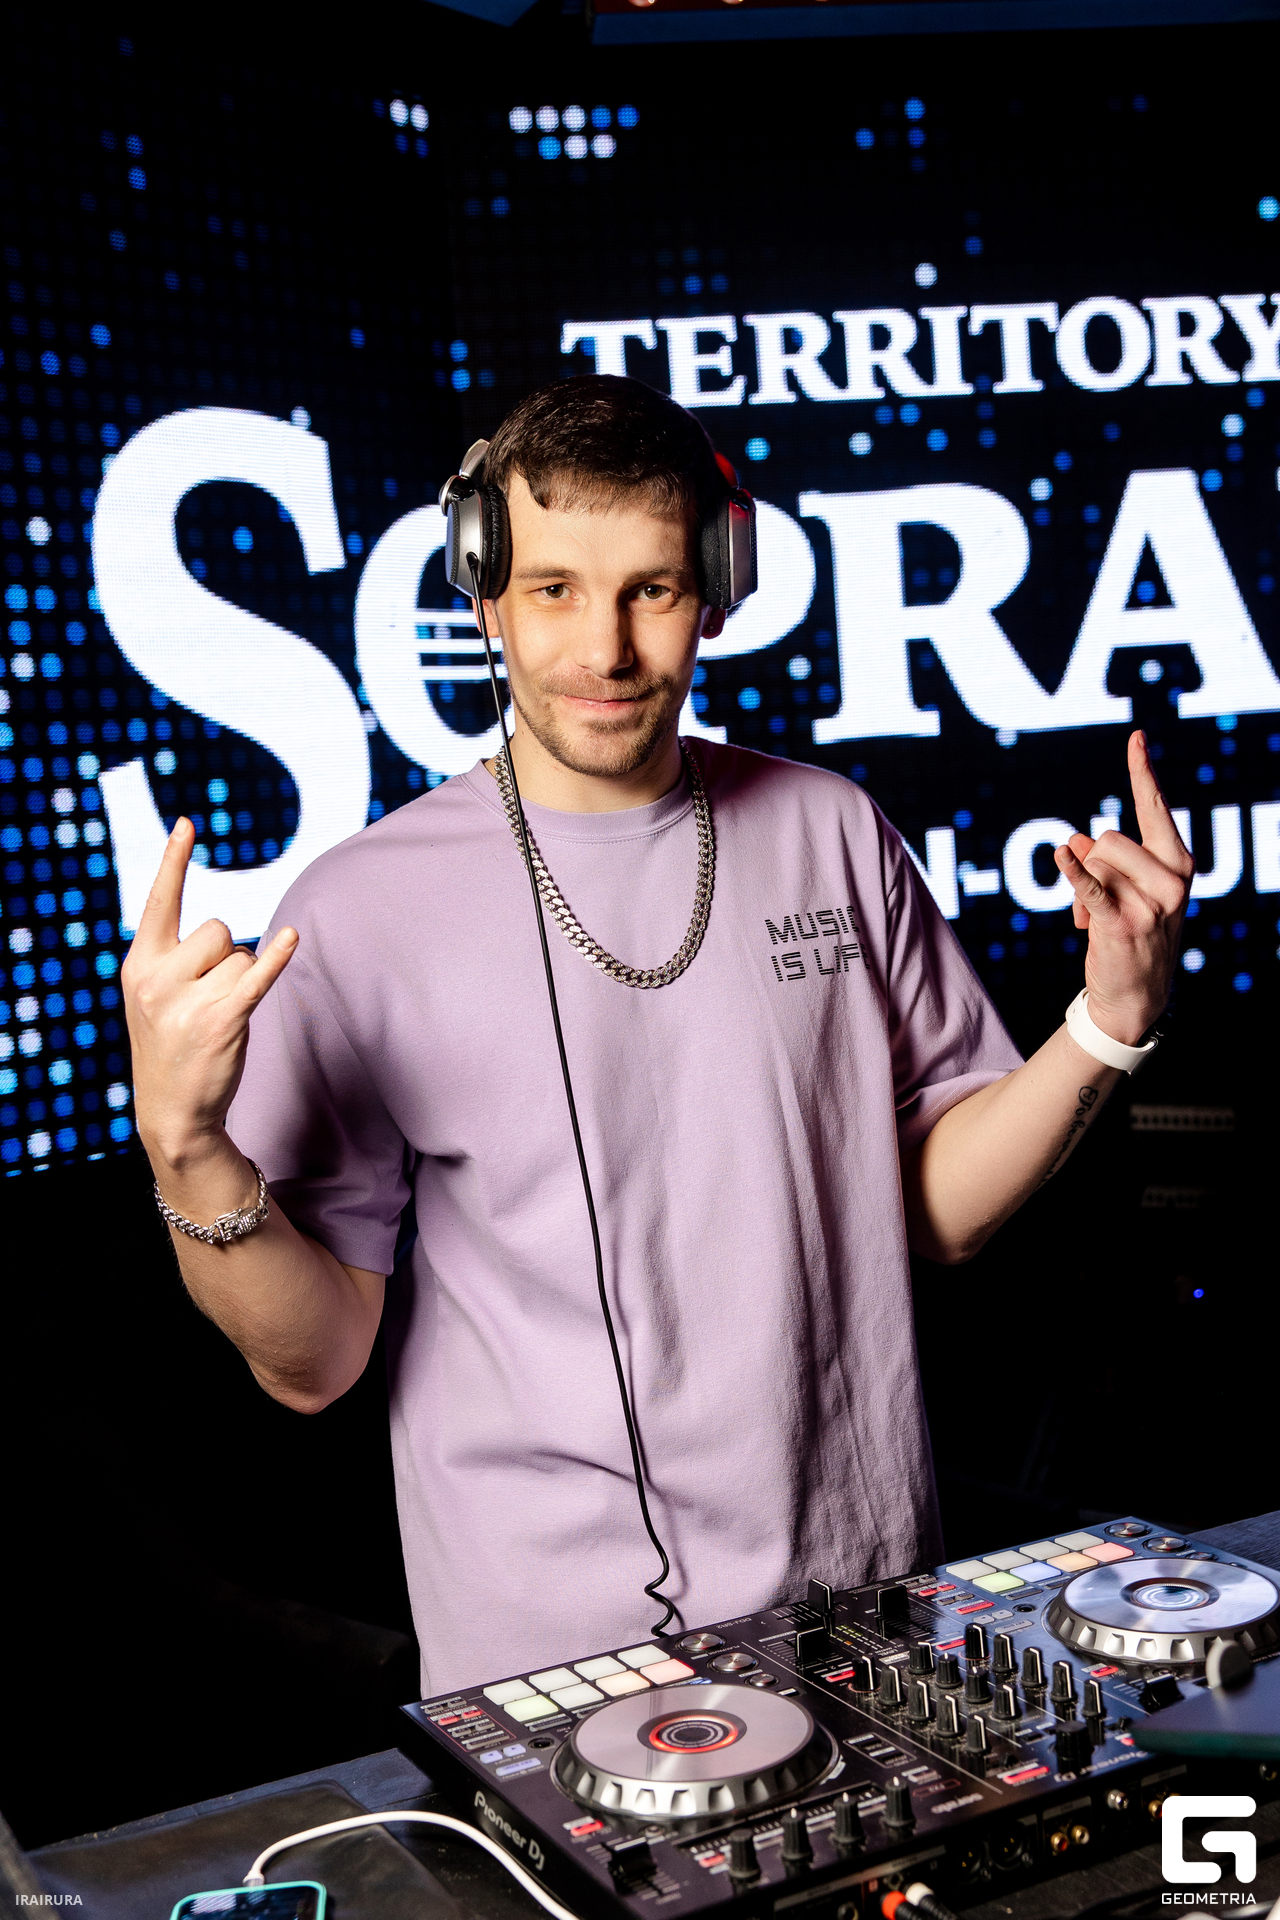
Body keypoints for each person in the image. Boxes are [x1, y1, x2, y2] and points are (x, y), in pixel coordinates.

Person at [123, 375, 1193, 1696]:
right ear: (484, 591)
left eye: (652, 589)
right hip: (548, 1681)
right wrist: (187, 1148)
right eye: (554, 588)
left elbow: (934, 1211)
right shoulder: (356, 912)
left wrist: (1110, 1022)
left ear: (720, 588)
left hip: (864, 1617)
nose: (607, 649)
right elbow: (315, 1363)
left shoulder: (832, 833)